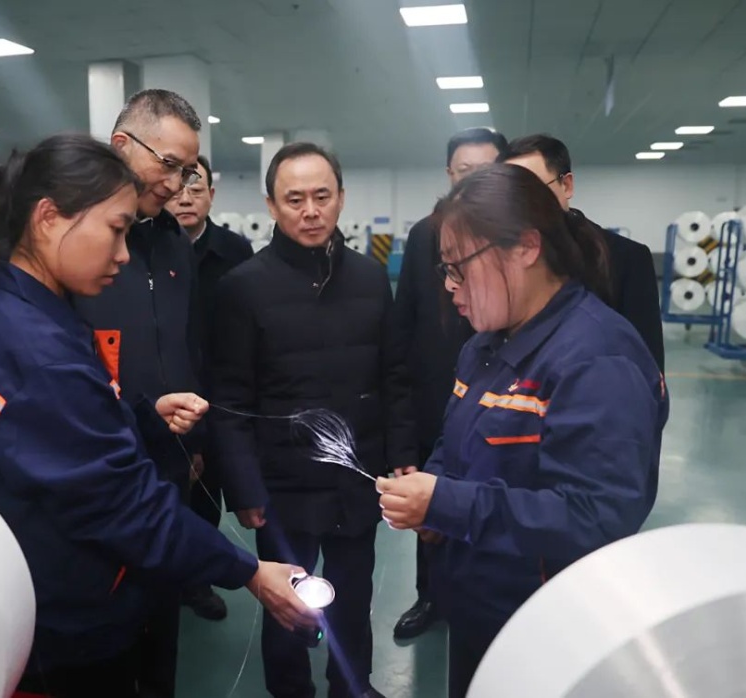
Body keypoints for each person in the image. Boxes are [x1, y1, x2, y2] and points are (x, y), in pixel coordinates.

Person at [0, 134, 318, 698]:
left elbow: (67, 430)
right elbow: (121, 504)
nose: (124, 255)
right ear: (48, 218)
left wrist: (141, 416)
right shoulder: (39, 349)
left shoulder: (29, 311)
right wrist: (249, 571)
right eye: (116, 229)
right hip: (71, 618)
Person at [376, 164, 669, 698]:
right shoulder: (484, 346)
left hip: (544, 624)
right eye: (444, 269)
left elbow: (595, 517)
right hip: (478, 608)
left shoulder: (596, 359)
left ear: (526, 248)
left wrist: (447, 504)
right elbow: (455, 441)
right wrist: (434, 501)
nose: (449, 287)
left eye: (459, 268)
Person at [211, 142, 416, 698]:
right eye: (294, 199)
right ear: (272, 206)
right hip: (282, 487)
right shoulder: (242, 288)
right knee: (289, 608)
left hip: (357, 479)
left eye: (321, 196)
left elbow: (394, 375)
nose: (310, 211)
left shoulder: (370, 279)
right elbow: (229, 398)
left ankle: (353, 687)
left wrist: (402, 456)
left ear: (341, 198)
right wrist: (244, 488)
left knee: (353, 598)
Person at [72, 88, 207, 698]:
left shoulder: (174, 242)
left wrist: (193, 443)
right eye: (169, 165)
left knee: (161, 620)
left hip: (167, 459)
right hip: (98, 467)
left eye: (188, 171)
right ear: (121, 144)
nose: (177, 184)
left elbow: (185, 344)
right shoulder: (78, 241)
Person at [391, 127, 508, 640]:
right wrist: (403, 433)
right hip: (437, 407)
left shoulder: (520, 241)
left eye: (487, 171)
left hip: (503, 409)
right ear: (449, 175)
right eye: (465, 172)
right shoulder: (425, 236)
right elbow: (402, 331)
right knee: (430, 509)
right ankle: (430, 596)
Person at [164, 153, 253, 621]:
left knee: (206, 494)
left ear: (211, 196)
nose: (185, 199)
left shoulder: (235, 252)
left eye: (195, 189)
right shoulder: (147, 246)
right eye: (177, 190)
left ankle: (196, 584)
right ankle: (166, 580)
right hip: (166, 389)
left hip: (220, 393)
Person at [500, 134, 665, 370]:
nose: (524, 203)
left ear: (566, 185)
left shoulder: (626, 258)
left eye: (535, 189)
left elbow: (647, 364)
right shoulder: (500, 260)